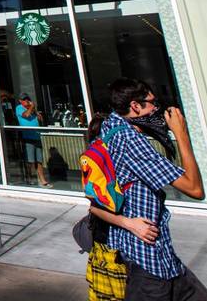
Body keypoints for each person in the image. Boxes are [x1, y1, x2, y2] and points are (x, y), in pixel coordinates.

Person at [104, 77, 207, 300]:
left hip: (159, 254)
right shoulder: (129, 140)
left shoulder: (111, 126)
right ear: (135, 106)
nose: (157, 108)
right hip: (147, 256)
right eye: (152, 103)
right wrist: (180, 133)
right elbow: (194, 188)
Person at [83, 112, 159, 301]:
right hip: (111, 246)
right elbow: (94, 206)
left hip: (110, 244)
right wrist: (129, 223)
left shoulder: (105, 161)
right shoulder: (103, 163)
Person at [16, 94, 52, 187]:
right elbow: (26, 115)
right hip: (27, 137)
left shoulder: (32, 109)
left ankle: (42, 179)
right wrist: (31, 107)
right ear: (20, 101)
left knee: (39, 160)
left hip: (37, 136)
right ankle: (29, 178)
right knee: (30, 160)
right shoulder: (19, 108)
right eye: (24, 100)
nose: (27, 101)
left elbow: (40, 120)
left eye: (28, 99)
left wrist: (36, 112)